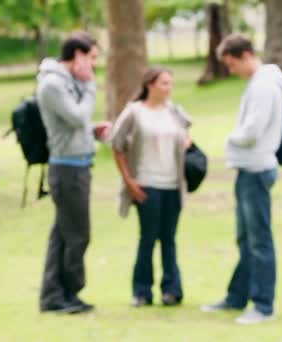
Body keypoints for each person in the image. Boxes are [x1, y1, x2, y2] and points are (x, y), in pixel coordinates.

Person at [200, 33, 282, 324]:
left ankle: (263, 306)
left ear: (245, 56)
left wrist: (230, 139)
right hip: (248, 170)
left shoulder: (264, 86)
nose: (230, 71)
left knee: (259, 240)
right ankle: (236, 297)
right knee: (245, 238)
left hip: (256, 170)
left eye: (231, 64)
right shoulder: (259, 83)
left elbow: (251, 132)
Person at [38, 32, 110, 314]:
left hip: (77, 164)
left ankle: (54, 296)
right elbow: (77, 116)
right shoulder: (54, 85)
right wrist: (90, 85)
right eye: (92, 58)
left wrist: (93, 132)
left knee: (63, 235)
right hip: (68, 170)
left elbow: (76, 124)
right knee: (78, 235)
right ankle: (68, 293)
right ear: (78, 56)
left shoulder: (65, 83)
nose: (94, 65)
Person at [110, 66, 192, 307]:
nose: (169, 88)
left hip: (173, 184)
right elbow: (117, 145)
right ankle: (142, 291)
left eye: (171, 84)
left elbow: (186, 135)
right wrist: (129, 181)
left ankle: (172, 290)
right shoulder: (134, 112)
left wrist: (187, 143)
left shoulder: (174, 111)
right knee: (148, 237)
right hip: (147, 183)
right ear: (150, 85)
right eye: (164, 83)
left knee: (169, 238)